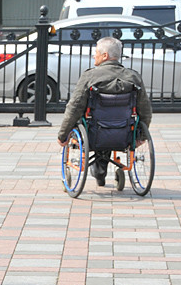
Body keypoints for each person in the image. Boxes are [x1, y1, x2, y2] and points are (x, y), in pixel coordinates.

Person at [57, 36, 152, 186]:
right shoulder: (133, 77)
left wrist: (63, 134)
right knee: (110, 123)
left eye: (96, 52)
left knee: (89, 119)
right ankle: (100, 170)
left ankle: (99, 171)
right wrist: (141, 137)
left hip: (93, 134)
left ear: (105, 55)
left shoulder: (90, 76)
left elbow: (74, 107)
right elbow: (145, 110)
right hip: (124, 135)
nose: (94, 56)